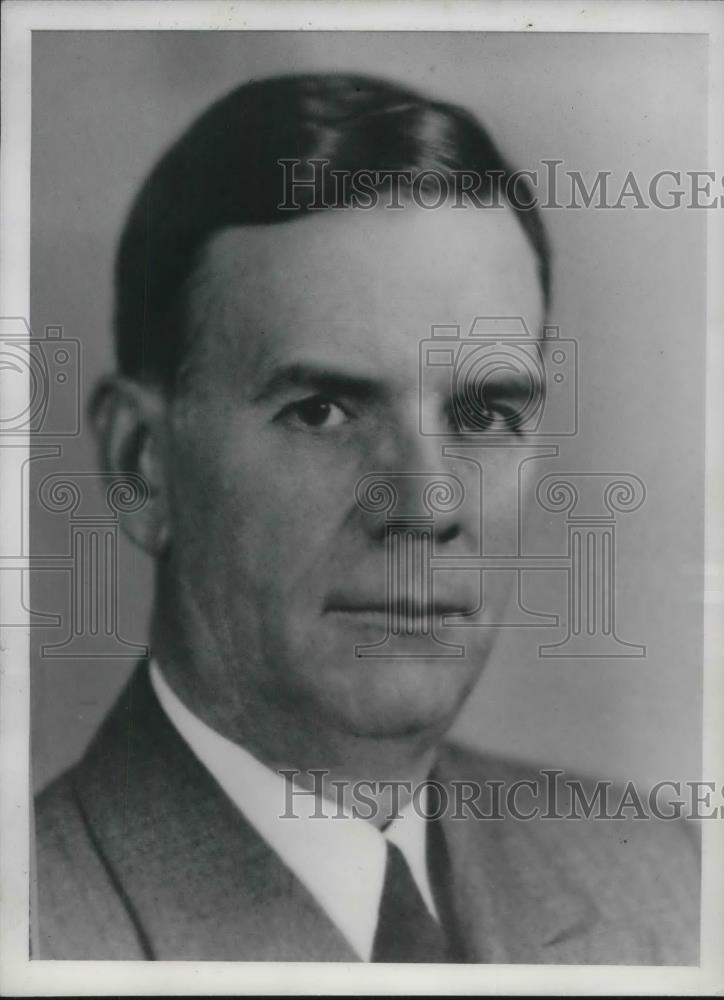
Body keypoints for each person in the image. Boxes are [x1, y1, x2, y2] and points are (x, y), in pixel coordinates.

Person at [33, 73, 698, 963]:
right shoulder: (40, 925)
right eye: (322, 412)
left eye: (485, 415)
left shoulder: (669, 881)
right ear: (142, 466)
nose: (428, 506)